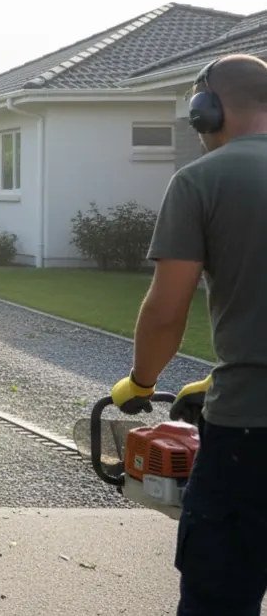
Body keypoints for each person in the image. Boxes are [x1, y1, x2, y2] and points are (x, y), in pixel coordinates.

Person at [108, 53, 267, 615]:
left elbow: (166, 311)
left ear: (207, 111)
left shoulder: (201, 179)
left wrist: (142, 381)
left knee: (219, 597)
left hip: (250, 430)